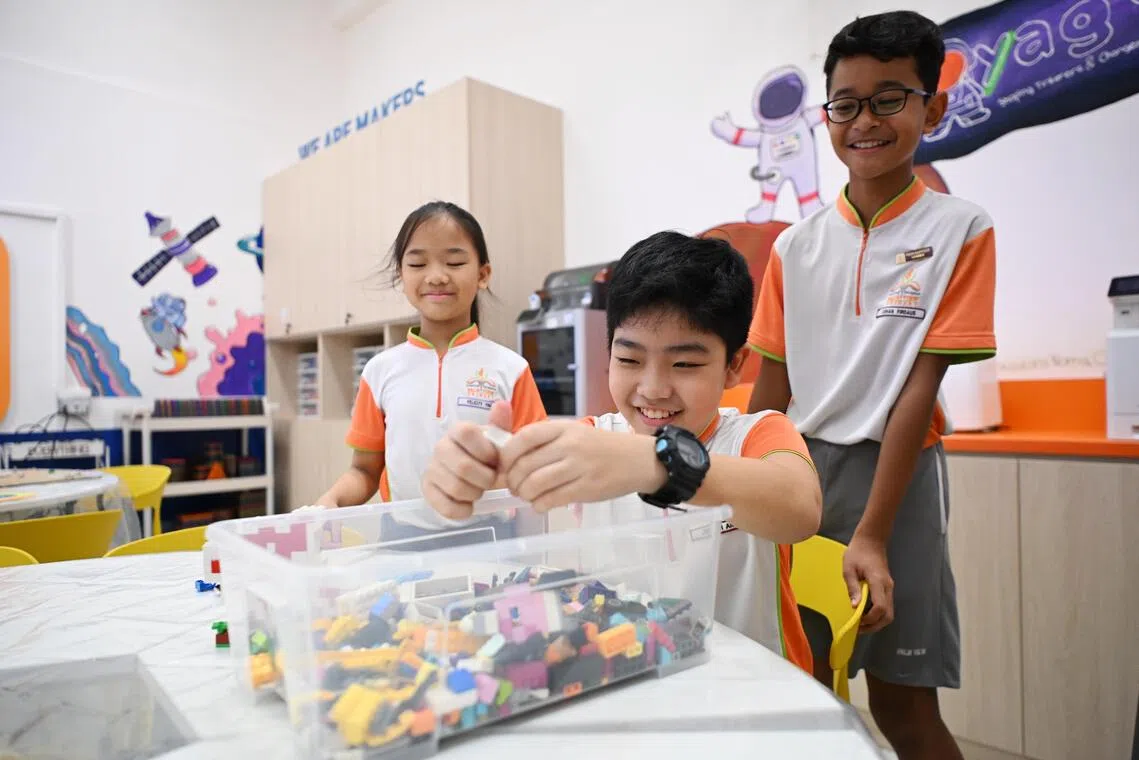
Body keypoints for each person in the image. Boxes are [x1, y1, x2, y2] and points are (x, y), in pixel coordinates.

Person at [748, 11, 996, 760]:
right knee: (804, 689)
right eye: (846, 103)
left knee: (903, 706)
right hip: (798, 473)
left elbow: (916, 391)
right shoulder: (795, 245)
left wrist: (874, 534)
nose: (865, 120)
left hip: (899, 478)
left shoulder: (962, 228)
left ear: (933, 107)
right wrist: (735, 495)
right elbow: (769, 389)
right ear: (827, 115)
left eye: (890, 98)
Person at [420, 230, 822, 673]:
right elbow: (504, 472)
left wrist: (654, 464)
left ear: (733, 366)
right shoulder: (592, 440)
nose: (653, 388)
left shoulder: (756, 435)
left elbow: (799, 508)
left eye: (685, 364)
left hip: (757, 690)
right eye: (629, 360)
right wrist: (465, 471)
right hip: (635, 683)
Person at [315, 201, 547, 540]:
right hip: (401, 541)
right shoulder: (379, 371)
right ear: (401, 275)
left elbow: (533, 471)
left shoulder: (511, 369)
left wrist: (532, 555)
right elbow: (364, 470)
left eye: (454, 262)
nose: (436, 276)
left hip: (492, 540)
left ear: (483, 274)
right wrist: (330, 501)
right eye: (418, 263)